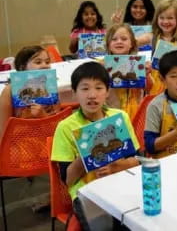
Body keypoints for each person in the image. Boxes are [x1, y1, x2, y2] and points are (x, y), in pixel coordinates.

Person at [51, 61, 140, 230]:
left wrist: (117, 166)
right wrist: (86, 151)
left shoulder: (119, 117)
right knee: (108, 226)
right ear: (74, 93)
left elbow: (136, 160)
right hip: (88, 192)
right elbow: (67, 180)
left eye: (99, 88)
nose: (92, 95)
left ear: (107, 92)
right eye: (85, 89)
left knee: (141, 222)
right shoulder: (65, 127)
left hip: (122, 183)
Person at [138, 0, 177, 95]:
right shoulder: (152, 37)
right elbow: (131, 42)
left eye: (170, 18)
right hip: (156, 87)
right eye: (162, 18)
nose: (165, 21)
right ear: (156, 19)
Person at [0, 45, 60, 141]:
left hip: (47, 141)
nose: (45, 65)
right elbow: (3, 134)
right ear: (22, 67)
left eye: (47, 62)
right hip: (20, 144)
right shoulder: (9, 92)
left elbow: (57, 129)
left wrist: (43, 116)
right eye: (38, 62)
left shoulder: (50, 88)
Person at [104, 23, 151, 119]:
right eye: (114, 39)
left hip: (137, 115)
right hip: (113, 115)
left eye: (124, 39)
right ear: (108, 45)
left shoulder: (139, 64)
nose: (119, 42)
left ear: (132, 44)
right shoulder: (103, 66)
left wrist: (146, 75)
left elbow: (149, 89)